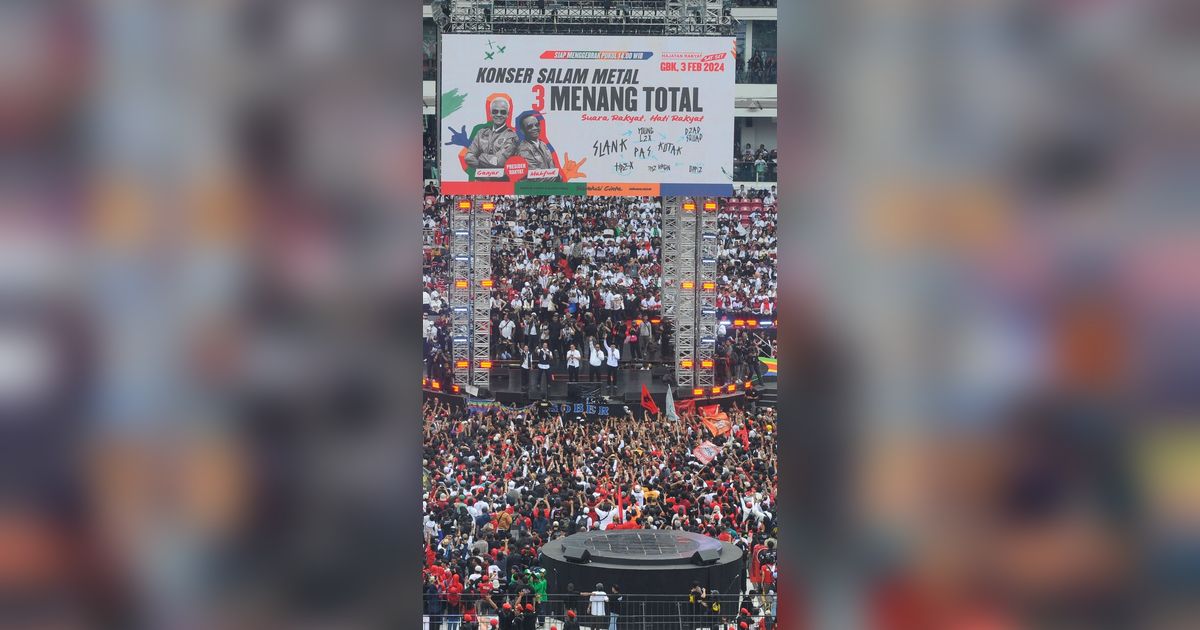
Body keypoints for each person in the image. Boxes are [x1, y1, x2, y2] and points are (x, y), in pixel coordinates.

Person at [466, 98, 518, 177]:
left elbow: (499, 162)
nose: (499, 114)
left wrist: (480, 156)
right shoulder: (481, 133)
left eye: (503, 112)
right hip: (480, 184)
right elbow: (468, 157)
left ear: (508, 114)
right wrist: (488, 168)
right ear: (490, 113)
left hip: (502, 184)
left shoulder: (512, 136)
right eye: (495, 111)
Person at [515, 112, 560, 181]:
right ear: (522, 131)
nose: (535, 128)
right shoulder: (523, 150)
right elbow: (535, 176)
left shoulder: (543, 144)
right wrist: (558, 177)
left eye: (537, 125)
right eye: (530, 126)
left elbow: (552, 168)